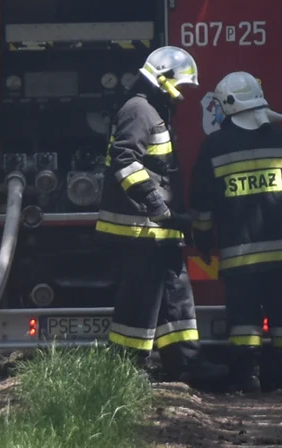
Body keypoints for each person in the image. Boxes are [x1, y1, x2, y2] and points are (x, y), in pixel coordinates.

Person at [95, 46, 227, 385]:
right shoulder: (138, 111)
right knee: (138, 305)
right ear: (163, 80)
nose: (183, 94)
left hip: (159, 233)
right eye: (181, 87)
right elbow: (124, 161)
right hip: (138, 232)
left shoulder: (154, 109)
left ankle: (186, 365)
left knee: (176, 302)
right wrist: (156, 205)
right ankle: (125, 372)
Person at [190, 71, 282, 394]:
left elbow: (201, 203)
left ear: (226, 106)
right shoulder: (281, 139)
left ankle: (246, 381)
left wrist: (204, 241)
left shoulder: (213, 147)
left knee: (244, 323)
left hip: (239, 258)